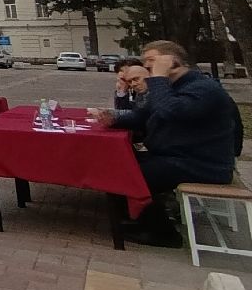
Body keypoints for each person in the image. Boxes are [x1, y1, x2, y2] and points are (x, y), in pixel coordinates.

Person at [92, 40, 240, 247]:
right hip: (177, 156)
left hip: (201, 164)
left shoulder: (203, 88)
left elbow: (169, 112)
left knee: (128, 173)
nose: (147, 66)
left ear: (173, 61)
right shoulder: (174, 86)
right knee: (119, 162)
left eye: (151, 60)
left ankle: (162, 233)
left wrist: (159, 79)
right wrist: (114, 119)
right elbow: (144, 115)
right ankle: (135, 219)